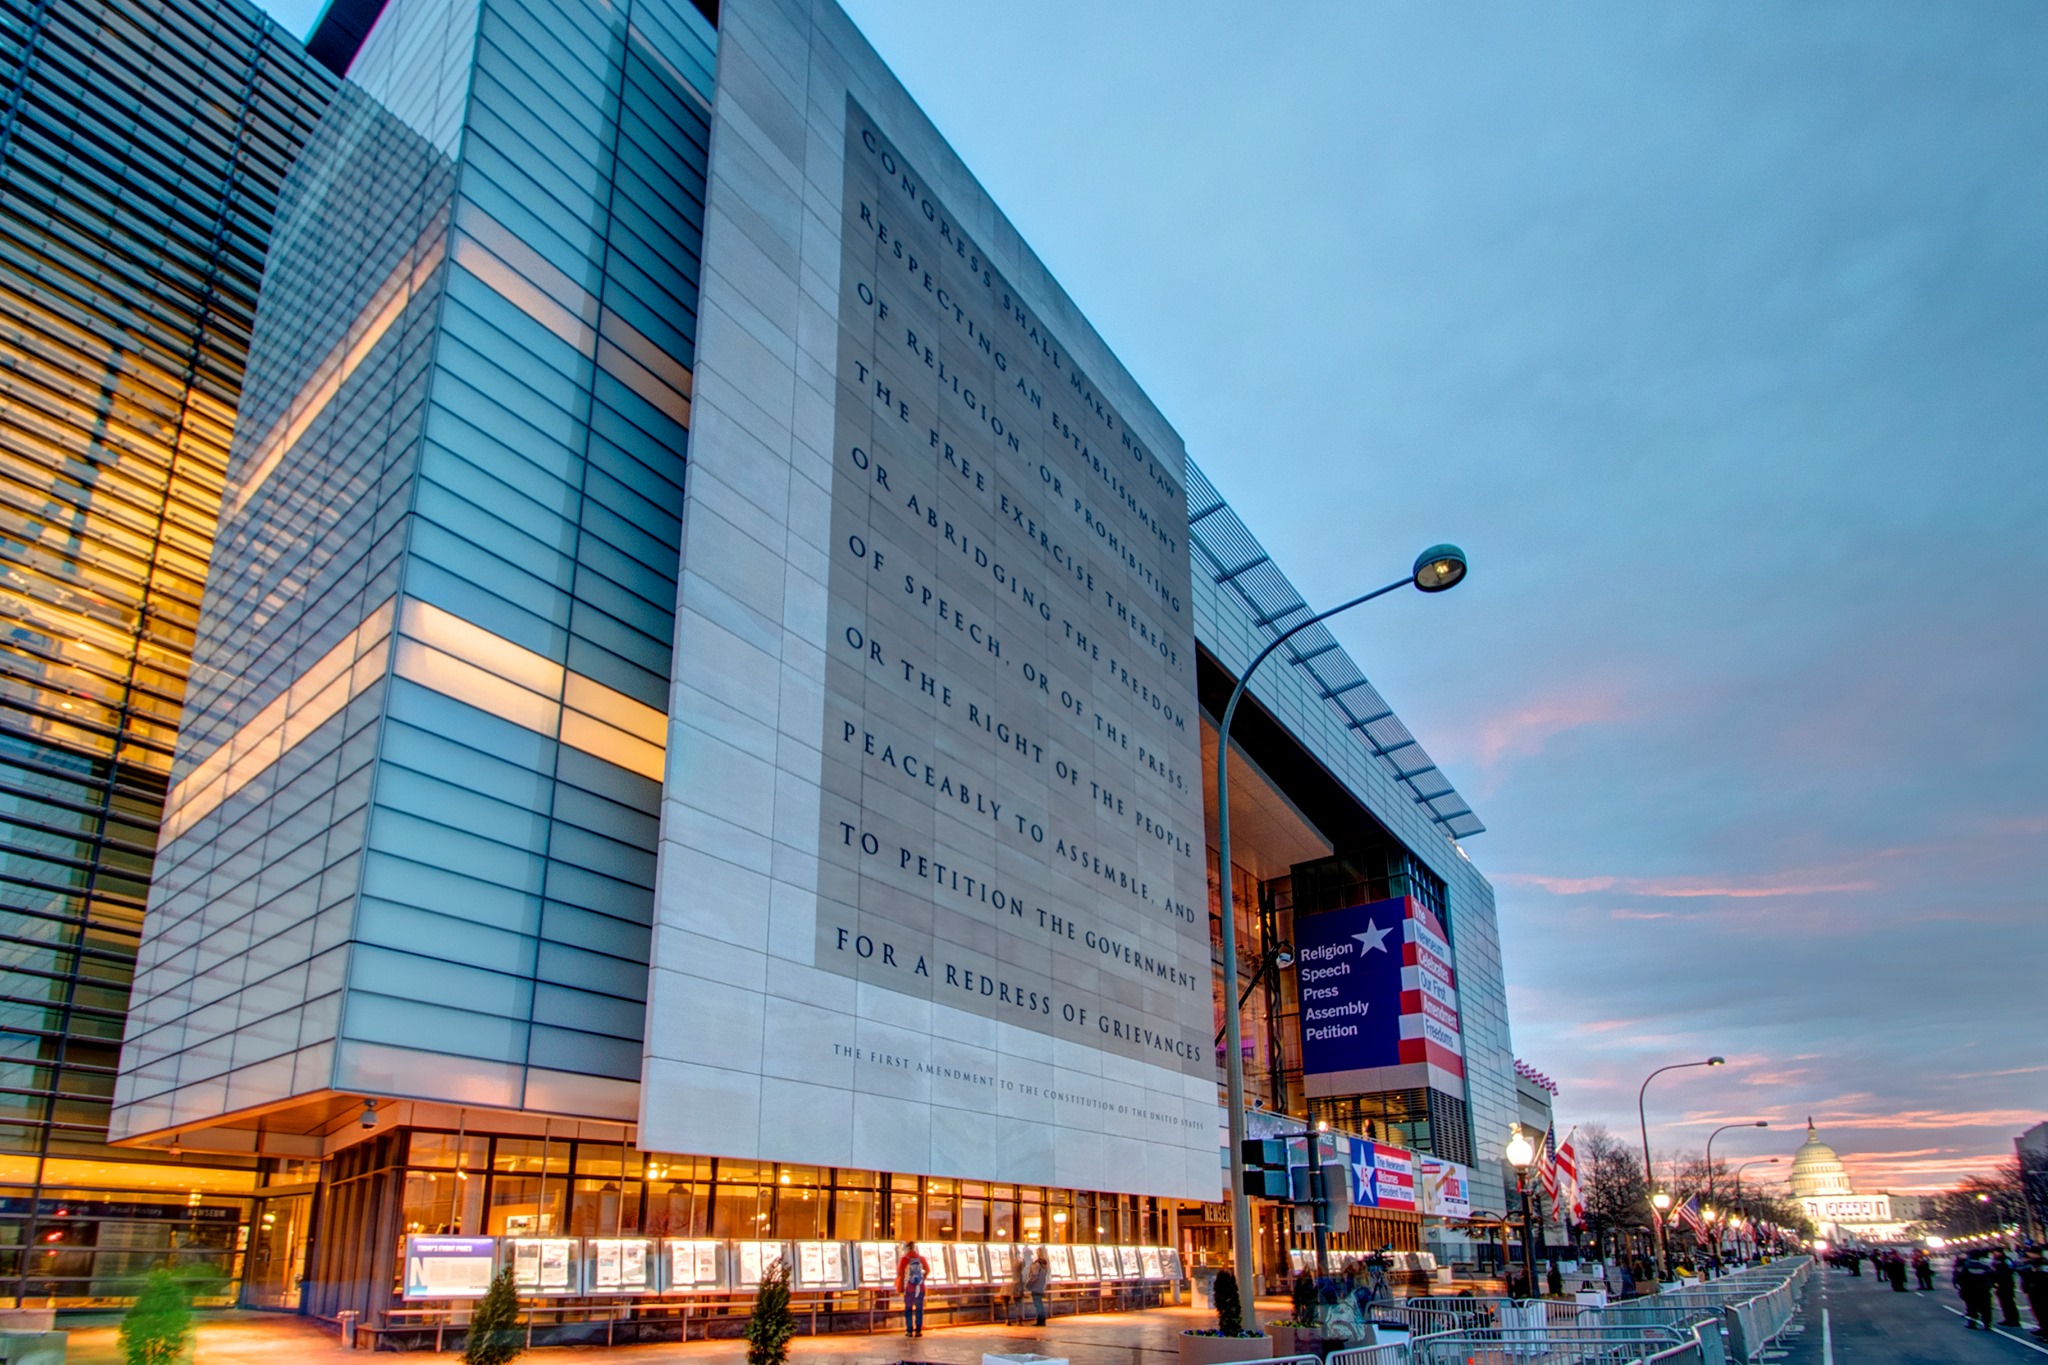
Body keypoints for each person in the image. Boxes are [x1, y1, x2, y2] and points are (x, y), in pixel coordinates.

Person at [1955, 1248, 1996, 1330]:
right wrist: (1991, 1285)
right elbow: (1992, 1276)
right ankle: (1987, 1323)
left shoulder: (1965, 1266)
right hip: (1983, 1289)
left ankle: (1972, 1323)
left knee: (1971, 1307)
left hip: (1969, 1289)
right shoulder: (1985, 1266)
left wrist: (1959, 1285)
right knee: (1986, 1307)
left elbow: (1959, 1276)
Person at [896, 1241, 930, 1337]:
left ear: (907, 1248)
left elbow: (900, 1274)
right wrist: (923, 1278)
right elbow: (927, 1270)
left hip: (909, 1289)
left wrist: (901, 1287)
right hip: (920, 1288)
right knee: (919, 1309)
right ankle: (918, 1330)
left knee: (908, 1309)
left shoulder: (904, 1259)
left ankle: (909, 1330)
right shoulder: (921, 1259)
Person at [2019, 1249, 2048, 1341]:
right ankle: (2043, 1328)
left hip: (2042, 1290)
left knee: (2044, 1312)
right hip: (2034, 1290)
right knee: (2038, 1311)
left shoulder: (2043, 1263)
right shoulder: (2033, 1263)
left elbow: (2043, 1277)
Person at [1993, 1249, 2022, 1329]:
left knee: (2009, 1302)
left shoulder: (2006, 1260)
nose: (1994, 1253)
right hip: (1999, 1284)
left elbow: (2010, 1269)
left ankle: (2014, 1319)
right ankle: (2007, 1318)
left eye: (1995, 1252)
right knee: (2003, 1302)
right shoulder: (1996, 1260)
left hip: (2007, 1283)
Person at [1026, 1246, 1052, 1327]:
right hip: (1041, 1285)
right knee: (1039, 1303)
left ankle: (1040, 1320)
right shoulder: (1044, 1264)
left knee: (1037, 1303)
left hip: (1036, 1286)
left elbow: (1034, 1275)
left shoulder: (1037, 1264)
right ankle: (1041, 1319)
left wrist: (1028, 1283)